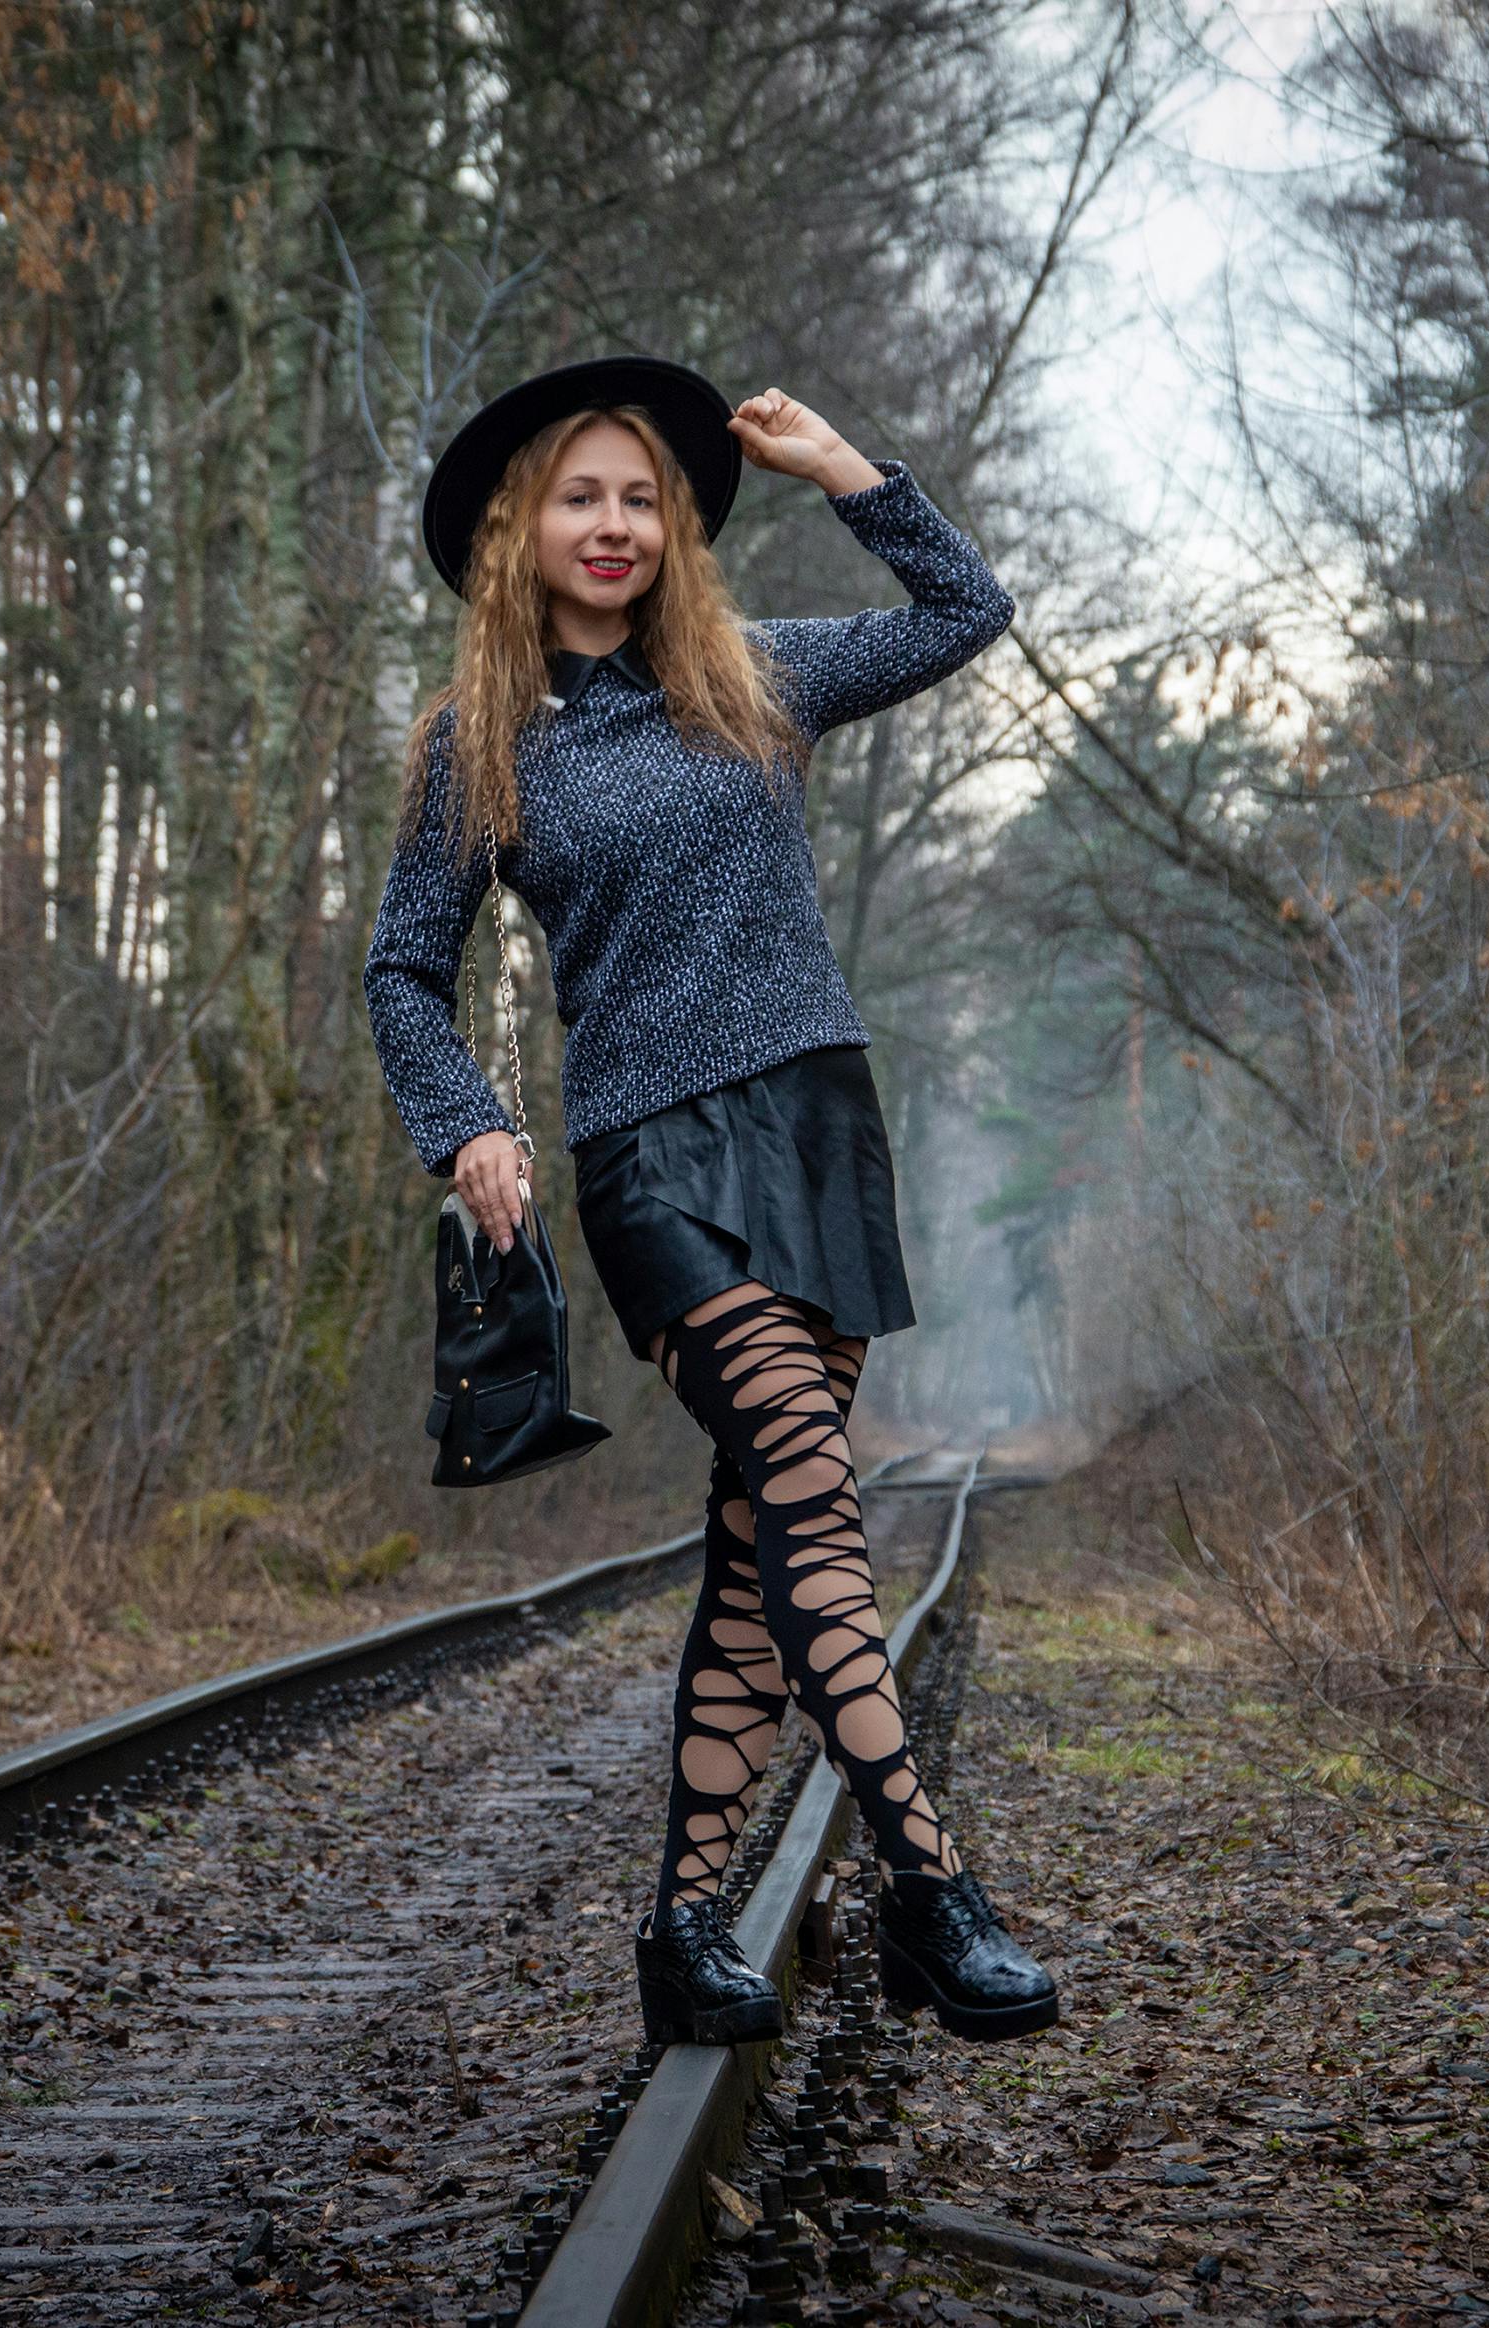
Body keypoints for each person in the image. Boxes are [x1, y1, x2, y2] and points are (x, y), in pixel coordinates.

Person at [362, 355, 1058, 2048]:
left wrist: (842, 465)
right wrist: (466, 1124)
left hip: (814, 1123)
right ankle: (932, 1888)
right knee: (811, 1482)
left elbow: (968, 610)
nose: (614, 525)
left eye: (641, 498)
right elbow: (401, 971)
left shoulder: (753, 678)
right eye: (581, 498)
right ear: (521, 528)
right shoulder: (477, 747)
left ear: (673, 525)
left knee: (759, 1548)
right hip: (653, 1156)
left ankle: (681, 1929)